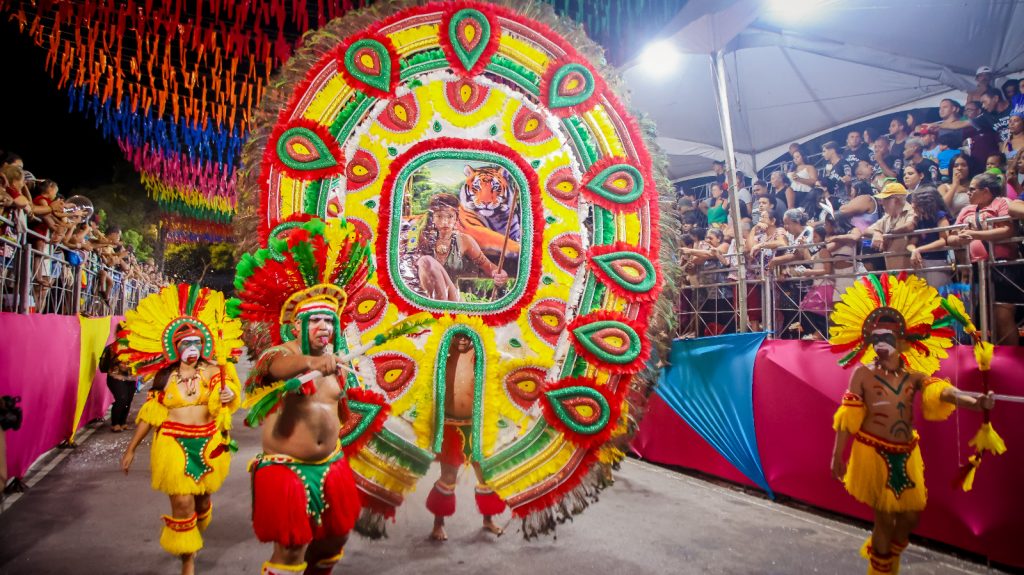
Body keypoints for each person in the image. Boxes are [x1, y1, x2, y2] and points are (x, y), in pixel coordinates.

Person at [828, 273, 995, 575]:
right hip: (872, 453)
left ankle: (885, 559)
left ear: (904, 342)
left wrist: (976, 402)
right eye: (876, 337)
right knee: (884, 518)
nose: (881, 343)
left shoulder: (914, 377)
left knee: (910, 518)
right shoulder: (862, 374)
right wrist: (837, 455)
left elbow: (944, 393)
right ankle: (882, 569)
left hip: (906, 455)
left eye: (887, 337)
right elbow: (847, 418)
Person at [232, 218, 368, 575]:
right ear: (296, 326)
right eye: (315, 321)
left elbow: (341, 410)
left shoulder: (336, 362)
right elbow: (276, 369)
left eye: (330, 321)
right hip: (287, 470)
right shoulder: (280, 354)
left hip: (331, 465)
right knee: (291, 550)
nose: (324, 327)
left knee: (333, 542)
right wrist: (311, 363)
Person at [119, 284, 243, 575]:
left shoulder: (213, 370)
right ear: (176, 347)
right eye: (187, 343)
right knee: (182, 502)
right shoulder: (164, 377)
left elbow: (227, 397)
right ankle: (188, 560)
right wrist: (131, 449)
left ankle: (195, 532)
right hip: (172, 443)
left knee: (201, 503)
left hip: (208, 443)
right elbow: (151, 416)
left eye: (197, 343)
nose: (192, 349)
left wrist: (228, 395)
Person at [948, 172, 1021, 345]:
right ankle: (991, 356)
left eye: (972, 189)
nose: (968, 193)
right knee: (983, 316)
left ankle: (1010, 357)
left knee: (1003, 315)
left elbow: (1007, 230)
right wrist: (959, 239)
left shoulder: (1002, 203)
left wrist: (975, 234)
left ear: (986, 191)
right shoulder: (966, 210)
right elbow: (950, 237)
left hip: (1002, 266)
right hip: (976, 267)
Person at [411, 194, 508, 301]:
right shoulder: (421, 238)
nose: (445, 222)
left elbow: (489, 267)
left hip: (454, 300)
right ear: (432, 218)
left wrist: (499, 274)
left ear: (456, 218)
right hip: (423, 300)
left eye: (450, 216)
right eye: (439, 216)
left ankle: (442, 308)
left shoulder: (464, 241)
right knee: (425, 261)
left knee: (425, 261)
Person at [906, 187, 952, 289]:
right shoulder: (919, 219)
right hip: (921, 261)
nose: (912, 205)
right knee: (923, 293)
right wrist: (914, 251)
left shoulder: (940, 216)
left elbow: (943, 240)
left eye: (915, 202)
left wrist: (919, 249)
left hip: (937, 260)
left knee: (938, 292)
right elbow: (911, 243)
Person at [867, 182, 916, 272]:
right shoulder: (887, 216)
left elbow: (909, 226)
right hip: (892, 271)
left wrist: (888, 235)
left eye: (885, 199)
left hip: (911, 272)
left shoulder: (911, 211)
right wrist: (877, 233)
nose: (881, 203)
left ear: (896, 200)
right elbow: (866, 230)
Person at [99, 325, 138, 432]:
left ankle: (123, 422)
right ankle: (115, 423)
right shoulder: (114, 347)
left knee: (128, 400)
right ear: (118, 333)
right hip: (116, 377)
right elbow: (110, 363)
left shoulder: (135, 346)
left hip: (131, 378)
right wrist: (122, 364)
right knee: (122, 399)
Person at [786, 144, 818, 209]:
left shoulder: (809, 167)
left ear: (803, 157)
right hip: (792, 194)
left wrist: (799, 179)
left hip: (805, 193)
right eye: (794, 158)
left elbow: (814, 181)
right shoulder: (792, 169)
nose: (795, 159)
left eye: (797, 157)